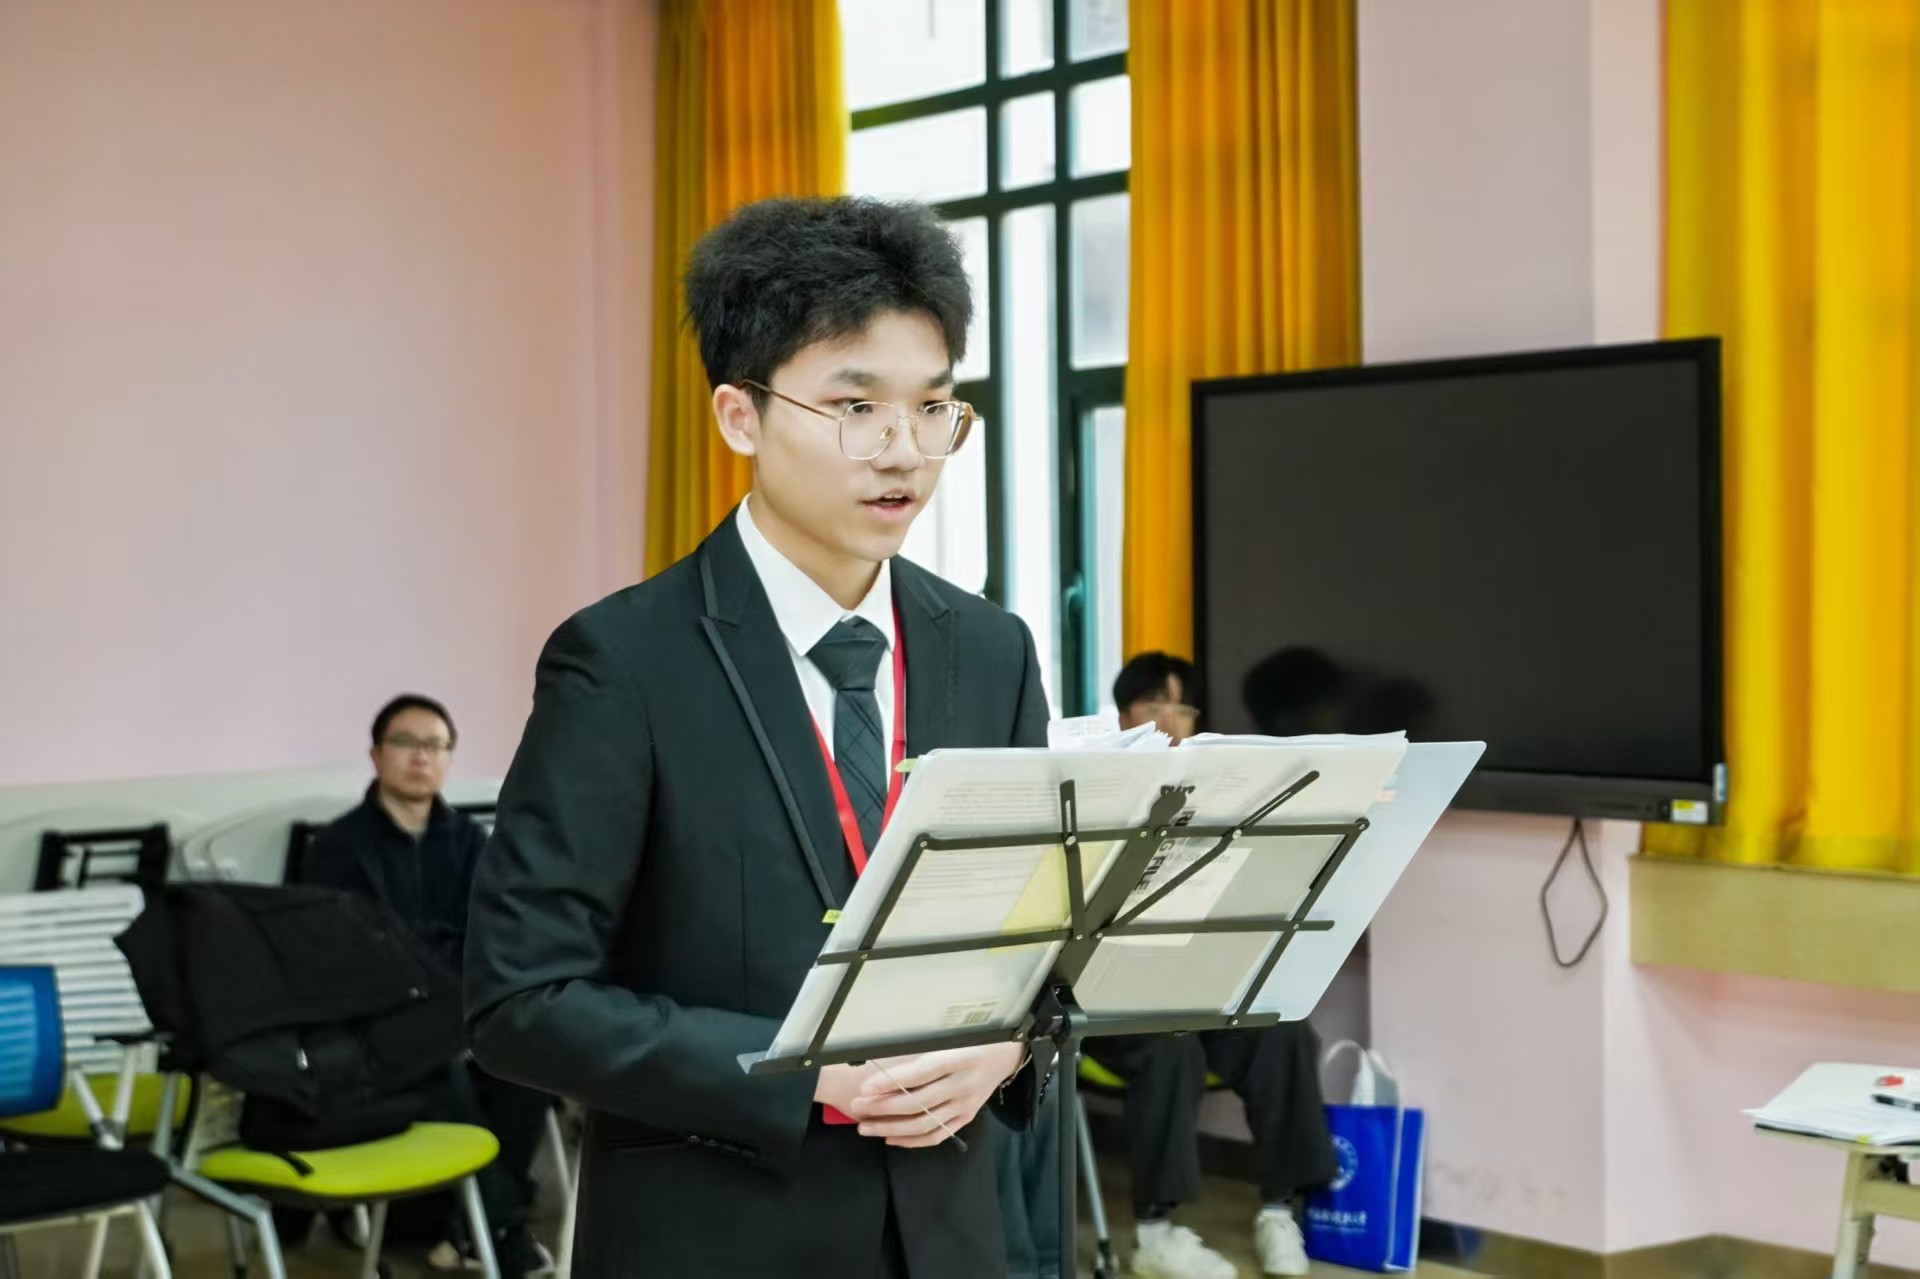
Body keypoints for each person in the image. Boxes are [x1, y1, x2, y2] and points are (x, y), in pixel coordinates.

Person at [464, 196, 1051, 1279]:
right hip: (719, 1233)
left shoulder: (991, 649)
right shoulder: (623, 661)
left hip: (954, 1232)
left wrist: (1007, 1046)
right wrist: (802, 1070)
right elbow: (522, 1001)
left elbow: (1039, 943)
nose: (904, 452)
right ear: (740, 416)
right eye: (856, 407)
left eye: (933, 408)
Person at [1087, 654, 1337, 1279]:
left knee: (1282, 1032)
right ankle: (1155, 1234)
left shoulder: (1221, 793)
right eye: (1154, 705)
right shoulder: (1096, 786)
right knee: (1170, 1048)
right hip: (1105, 989)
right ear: (1123, 715)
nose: (1171, 721)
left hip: (1192, 977)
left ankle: (1279, 1210)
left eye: (1184, 707)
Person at [302, 694, 555, 1276]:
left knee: (532, 1061)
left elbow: (492, 937)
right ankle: (497, 1228)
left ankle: (470, 1224)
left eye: (436, 746)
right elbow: (336, 956)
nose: (422, 757)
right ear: (376, 754)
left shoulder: (470, 841)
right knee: (438, 1057)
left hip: (463, 1005)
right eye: (407, 743)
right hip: (379, 1019)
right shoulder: (336, 846)